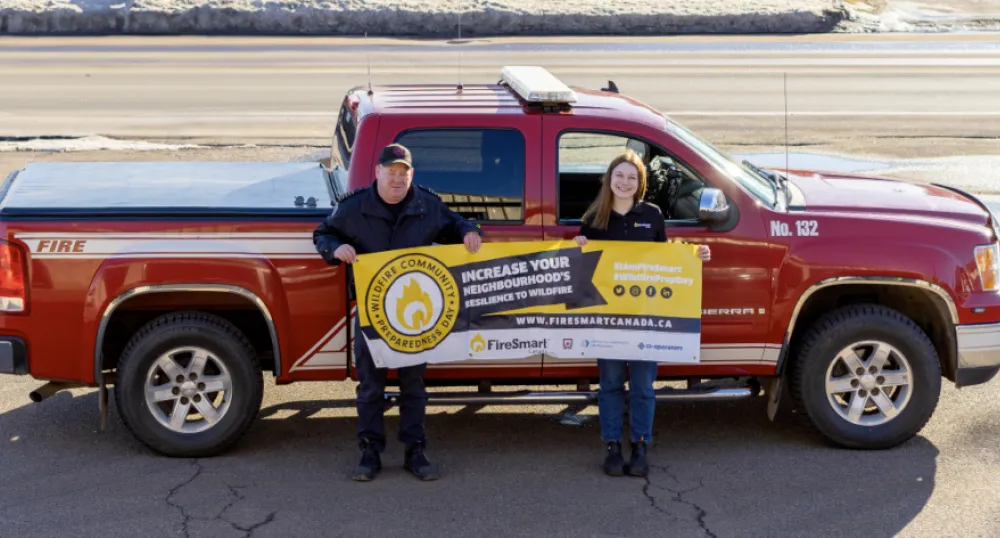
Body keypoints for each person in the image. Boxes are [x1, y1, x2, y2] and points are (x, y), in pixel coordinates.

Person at [313, 143, 483, 482]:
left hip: (412, 315)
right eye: (390, 172)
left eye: (403, 173)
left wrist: (469, 231)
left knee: (413, 385)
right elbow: (323, 233)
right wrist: (336, 248)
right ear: (377, 173)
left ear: (411, 175)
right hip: (372, 311)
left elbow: (455, 223)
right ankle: (369, 452)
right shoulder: (354, 207)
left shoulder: (426, 205)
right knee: (371, 387)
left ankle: (415, 451)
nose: (396, 179)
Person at [572, 150, 711, 478]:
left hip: (646, 319)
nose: (624, 182)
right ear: (609, 179)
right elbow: (583, 271)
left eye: (631, 177)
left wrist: (695, 255)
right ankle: (612, 447)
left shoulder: (652, 215)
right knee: (609, 384)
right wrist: (577, 248)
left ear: (640, 184)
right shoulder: (593, 219)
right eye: (619, 176)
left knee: (643, 385)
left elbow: (665, 258)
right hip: (606, 319)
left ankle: (640, 445)